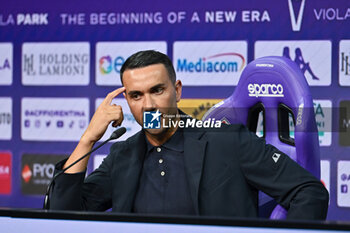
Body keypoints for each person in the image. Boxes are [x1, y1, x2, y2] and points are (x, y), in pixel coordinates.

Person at [49, 50, 329, 220]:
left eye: (157, 90)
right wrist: (87, 139)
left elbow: (310, 192)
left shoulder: (228, 141)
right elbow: (62, 217)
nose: (148, 105)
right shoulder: (123, 155)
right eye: (136, 95)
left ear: (177, 90)